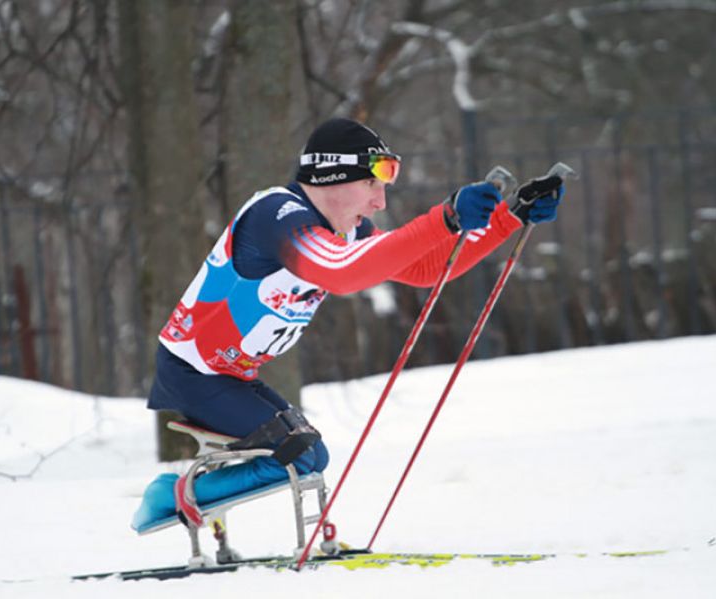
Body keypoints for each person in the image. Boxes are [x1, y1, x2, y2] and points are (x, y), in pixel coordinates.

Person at [132, 117, 564, 530]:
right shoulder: (276, 215)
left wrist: (510, 217)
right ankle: (173, 496)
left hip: (230, 374)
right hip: (193, 373)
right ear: (332, 178)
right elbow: (342, 272)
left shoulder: (344, 230)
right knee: (301, 454)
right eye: (372, 184)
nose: (380, 202)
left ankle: (178, 495)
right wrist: (447, 217)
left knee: (309, 455)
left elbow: (426, 267)